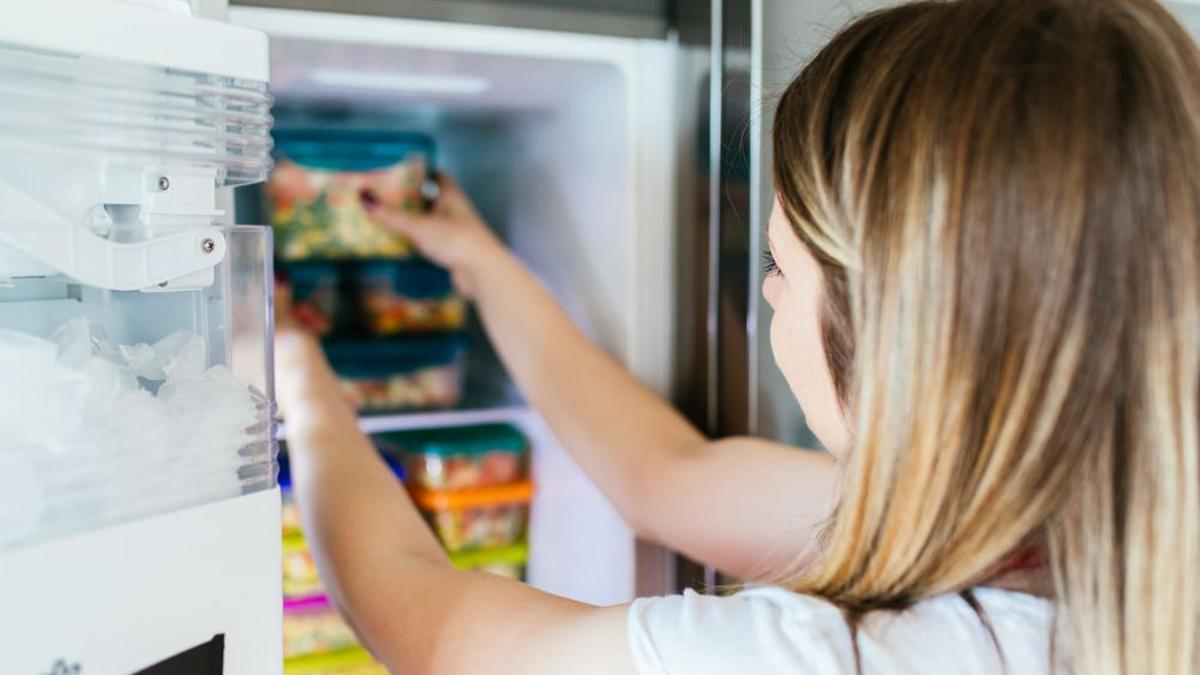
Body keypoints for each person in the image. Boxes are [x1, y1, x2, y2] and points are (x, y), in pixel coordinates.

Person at [273, 0, 1200, 672]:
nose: (764, 296)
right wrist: (478, 258)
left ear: (898, 341)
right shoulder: (1095, 545)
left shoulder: (816, 656)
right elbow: (663, 476)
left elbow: (428, 629)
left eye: (782, 269)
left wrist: (293, 368)